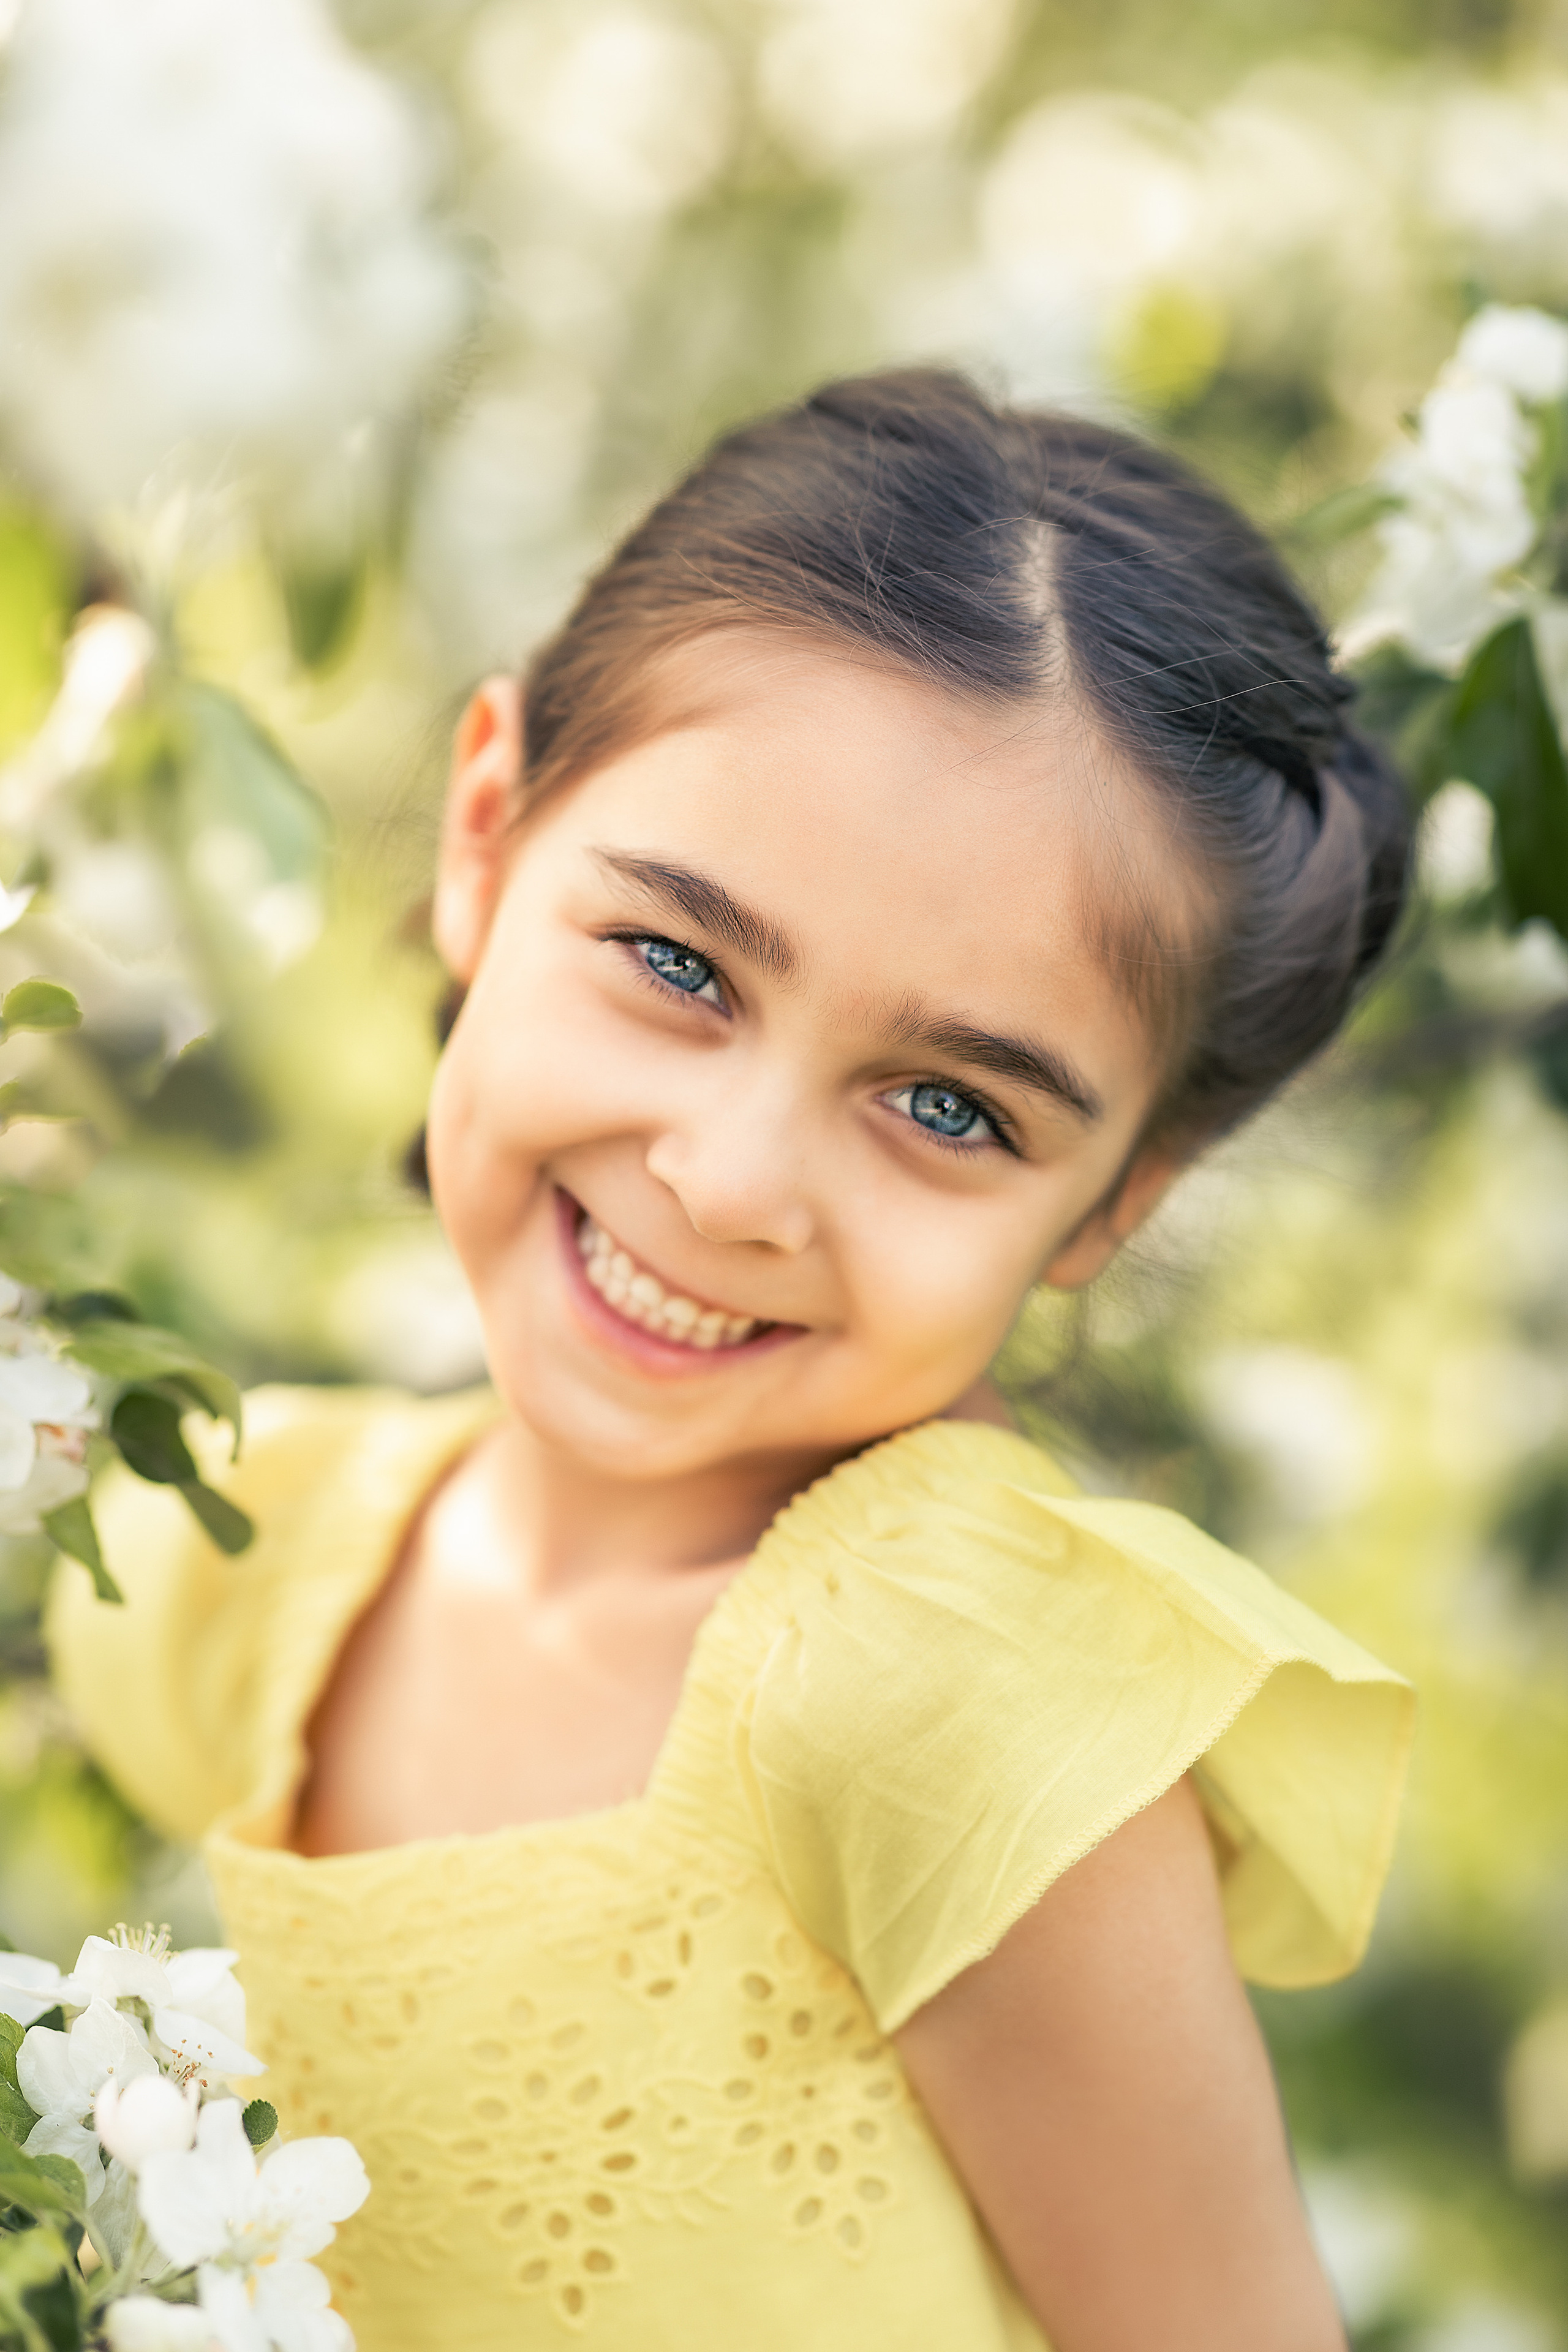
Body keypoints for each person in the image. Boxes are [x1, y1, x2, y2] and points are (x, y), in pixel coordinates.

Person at [50, 371, 1416, 2352]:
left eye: (949, 1109)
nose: (732, 1181)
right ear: (489, 831)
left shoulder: (956, 1702)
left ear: (1115, 1199)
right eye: (681, 965)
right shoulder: (247, 1552)